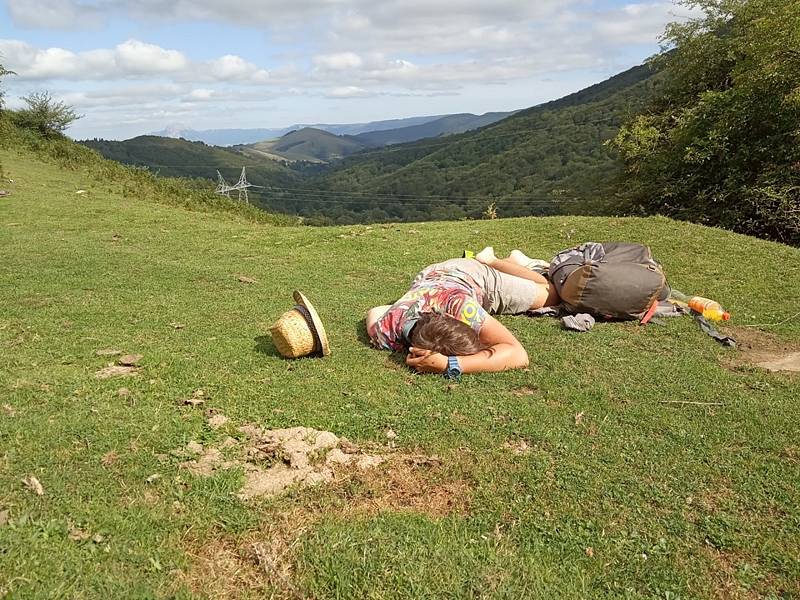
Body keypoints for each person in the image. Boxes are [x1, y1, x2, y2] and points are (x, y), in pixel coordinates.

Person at [366, 247, 560, 376]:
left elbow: (518, 355)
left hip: (471, 273)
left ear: (455, 318)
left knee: (550, 293)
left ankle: (493, 260)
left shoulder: (460, 306)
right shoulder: (386, 330)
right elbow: (376, 311)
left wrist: (449, 365)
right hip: (431, 273)